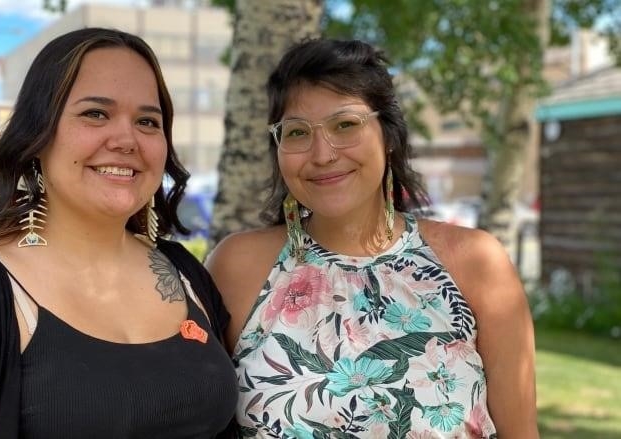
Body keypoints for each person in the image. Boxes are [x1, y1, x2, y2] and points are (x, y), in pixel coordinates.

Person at [0, 28, 237, 438]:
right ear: (37, 135)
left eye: (147, 121)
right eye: (95, 114)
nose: (126, 139)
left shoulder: (184, 273)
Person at [206, 38, 538, 438]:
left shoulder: (475, 262)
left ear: (389, 134)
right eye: (296, 132)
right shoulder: (238, 267)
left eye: (345, 124)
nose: (323, 153)